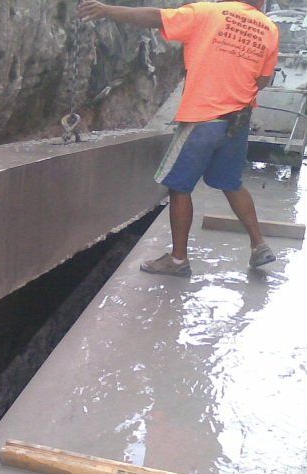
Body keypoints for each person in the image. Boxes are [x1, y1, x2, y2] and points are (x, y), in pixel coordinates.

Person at [78, 0, 279, 276]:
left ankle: (178, 260)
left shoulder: (207, 12)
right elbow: (263, 81)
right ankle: (259, 245)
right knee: (231, 184)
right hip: (239, 121)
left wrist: (107, 10)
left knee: (179, 187)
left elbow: (155, 17)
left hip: (204, 117)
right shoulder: (269, 28)